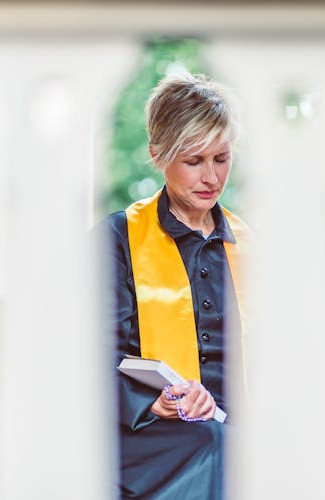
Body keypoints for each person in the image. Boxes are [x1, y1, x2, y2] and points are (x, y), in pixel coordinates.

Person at [95, 73, 249, 499]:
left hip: (237, 425)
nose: (211, 178)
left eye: (221, 158)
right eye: (194, 161)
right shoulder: (119, 240)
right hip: (146, 432)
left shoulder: (252, 248)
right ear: (158, 154)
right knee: (219, 449)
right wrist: (153, 402)